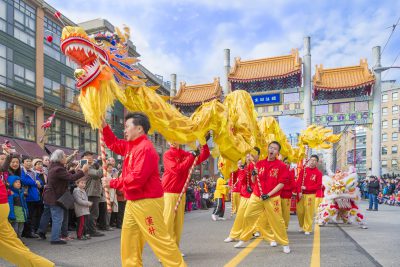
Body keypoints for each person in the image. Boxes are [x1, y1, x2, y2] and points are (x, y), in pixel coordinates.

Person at [101, 112, 186, 266]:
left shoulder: (145, 149)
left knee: (160, 241)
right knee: (129, 242)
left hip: (148, 202)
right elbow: (112, 143)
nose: (124, 130)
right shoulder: (130, 146)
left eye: (127, 127)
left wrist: (112, 182)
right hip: (133, 202)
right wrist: (104, 126)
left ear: (139, 129)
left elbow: (137, 179)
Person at [0, 145, 55, 266]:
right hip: (3, 205)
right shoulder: (6, 172)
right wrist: (8, 156)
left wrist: (8, 157)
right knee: (12, 242)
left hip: (2, 204)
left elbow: (3, 168)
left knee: (11, 242)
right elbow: (3, 168)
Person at [234, 141, 291, 254]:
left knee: (277, 221)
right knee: (247, 215)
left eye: (275, 149)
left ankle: (284, 243)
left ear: (277, 152)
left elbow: (281, 184)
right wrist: (254, 175)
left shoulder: (282, 166)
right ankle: (243, 239)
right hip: (257, 195)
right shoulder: (259, 164)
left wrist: (269, 194)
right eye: (270, 147)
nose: (272, 150)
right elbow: (254, 181)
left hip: (272, 197)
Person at [161, 140, 210, 250]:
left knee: (178, 224)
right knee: (167, 223)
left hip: (181, 193)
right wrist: (191, 156)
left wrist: (204, 142)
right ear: (168, 142)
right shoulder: (167, 154)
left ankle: (175, 248)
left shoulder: (185, 154)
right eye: (170, 139)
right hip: (169, 193)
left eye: (175, 138)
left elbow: (204, 155)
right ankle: (166, 250)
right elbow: (177, 169)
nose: (173, 141)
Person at [39, 149, 88, 244]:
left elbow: (65, 176)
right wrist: (82, 171)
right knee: (58, 218)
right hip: (55, 197)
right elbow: (71, 178)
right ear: (60, 158)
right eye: (65, 156)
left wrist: (74, 170)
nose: (66, 158)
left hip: (48, 196)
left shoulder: (53, 166)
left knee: (46, 215)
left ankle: (41, 232)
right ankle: (55, 238)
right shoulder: (58, 168)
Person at [295, 154, 322, 235]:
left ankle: (308, 228)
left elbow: (318, 185)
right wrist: (299, 191)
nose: (312, 162)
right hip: (301, 194)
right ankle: (302, 225)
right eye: (311, 160)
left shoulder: (318, 173)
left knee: (308, 212)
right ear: (309, 161)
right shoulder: (303, 171)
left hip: (310, 195)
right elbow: (298, 182)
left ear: (317, 163)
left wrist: (306, 188)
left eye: (314, 160)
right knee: (300, 211)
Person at [83, 151, 105, 236]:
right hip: (91, 192)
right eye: (88, 156)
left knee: (93, 212)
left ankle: (90, 230)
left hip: (93, 191)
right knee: (93, 213)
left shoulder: (92, 165)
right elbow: (98, 174)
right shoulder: (86, 166)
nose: (90, 158)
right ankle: (91, 231)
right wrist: (101, 165)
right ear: (84, 157)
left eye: (91, 156)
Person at [281, 158, 295, 229]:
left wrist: (284, 188)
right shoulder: (279, 172)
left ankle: (285, 227)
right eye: (285, 162)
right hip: (278, 195)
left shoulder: (290, 173)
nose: (286, 164)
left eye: (288, 163)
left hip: (287, 196)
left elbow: (293, 185)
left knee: (286, 212)